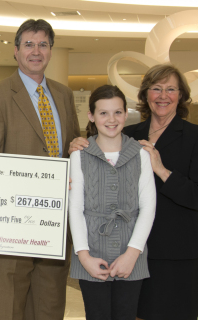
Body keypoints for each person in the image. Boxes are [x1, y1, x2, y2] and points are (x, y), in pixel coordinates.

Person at [69, 64, 198, 320]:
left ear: (180, 95)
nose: (163, 95)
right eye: (156, 88)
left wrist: (162, 170)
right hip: (132, 246)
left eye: (170, 89)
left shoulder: (197, 136)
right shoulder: (129, 133)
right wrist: (76, 144)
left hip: (177, 249)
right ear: (146, 95)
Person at [0, 19, 81, 320]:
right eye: (29, 44)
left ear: (51, 51)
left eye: (43, 44)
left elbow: (70, 153)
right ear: (16, 51)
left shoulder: (64, 95)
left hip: (55, 225)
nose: (36, 51)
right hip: (11, 226)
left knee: (50, 309)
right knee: (10, 310)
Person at [69, 85, 156, 320]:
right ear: (91, 116)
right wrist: (83, 256)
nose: (111, 119)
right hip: (91, 252)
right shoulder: (79, 155)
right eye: (103, 113)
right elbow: (75, 209)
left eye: (117, 112)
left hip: (131, 254)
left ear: (126, 114)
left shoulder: (140, 153)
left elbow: (148, 208)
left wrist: (132, 254)